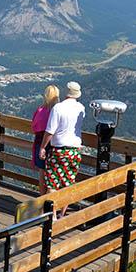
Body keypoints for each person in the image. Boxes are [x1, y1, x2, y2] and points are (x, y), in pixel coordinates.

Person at [39, 82, 86, 216]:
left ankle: (51, 216)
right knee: (68, 183)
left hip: (58, 150)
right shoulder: (81, 108)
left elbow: (50, 131)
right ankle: (62, 214)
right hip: (75, 151)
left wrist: (42, 147)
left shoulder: (58, 108)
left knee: (52, 184)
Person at [31, 85, 60, 195]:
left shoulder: (40, 110)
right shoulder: (58, 110)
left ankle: (42, 200)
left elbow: (34, 126)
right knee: (54, 176)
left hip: (40, 143)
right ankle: (52, 202)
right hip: (55, 145)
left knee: (42, 175)